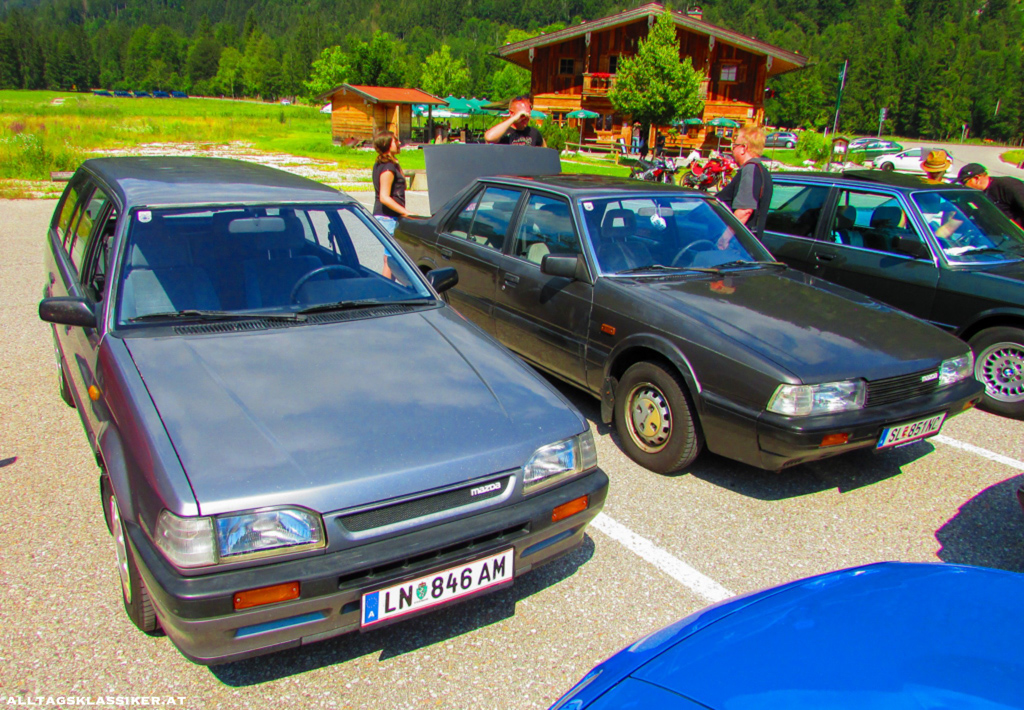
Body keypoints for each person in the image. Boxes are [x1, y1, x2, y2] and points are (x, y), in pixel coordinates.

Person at [715, 125, 773, 245]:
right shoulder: (761, 170)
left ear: (744, 148)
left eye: (734, 146)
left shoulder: (750, 169)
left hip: (738, 245)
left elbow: (744, 210)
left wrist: (724, 239)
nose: (732, 150)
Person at [958, 162, 1024, 227]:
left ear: (976, 178)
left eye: (964, 182)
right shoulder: (975, 194)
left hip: (1015, 232)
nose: (963, 186)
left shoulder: (1009, 186)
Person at [371, 131, 408, 234]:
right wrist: (406, 213)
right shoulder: (388, 167)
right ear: (385, 144)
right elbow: (384, 197)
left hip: (387, 218)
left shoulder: (384, 164)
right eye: (395, 141)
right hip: (387, 218)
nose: (399, 143)